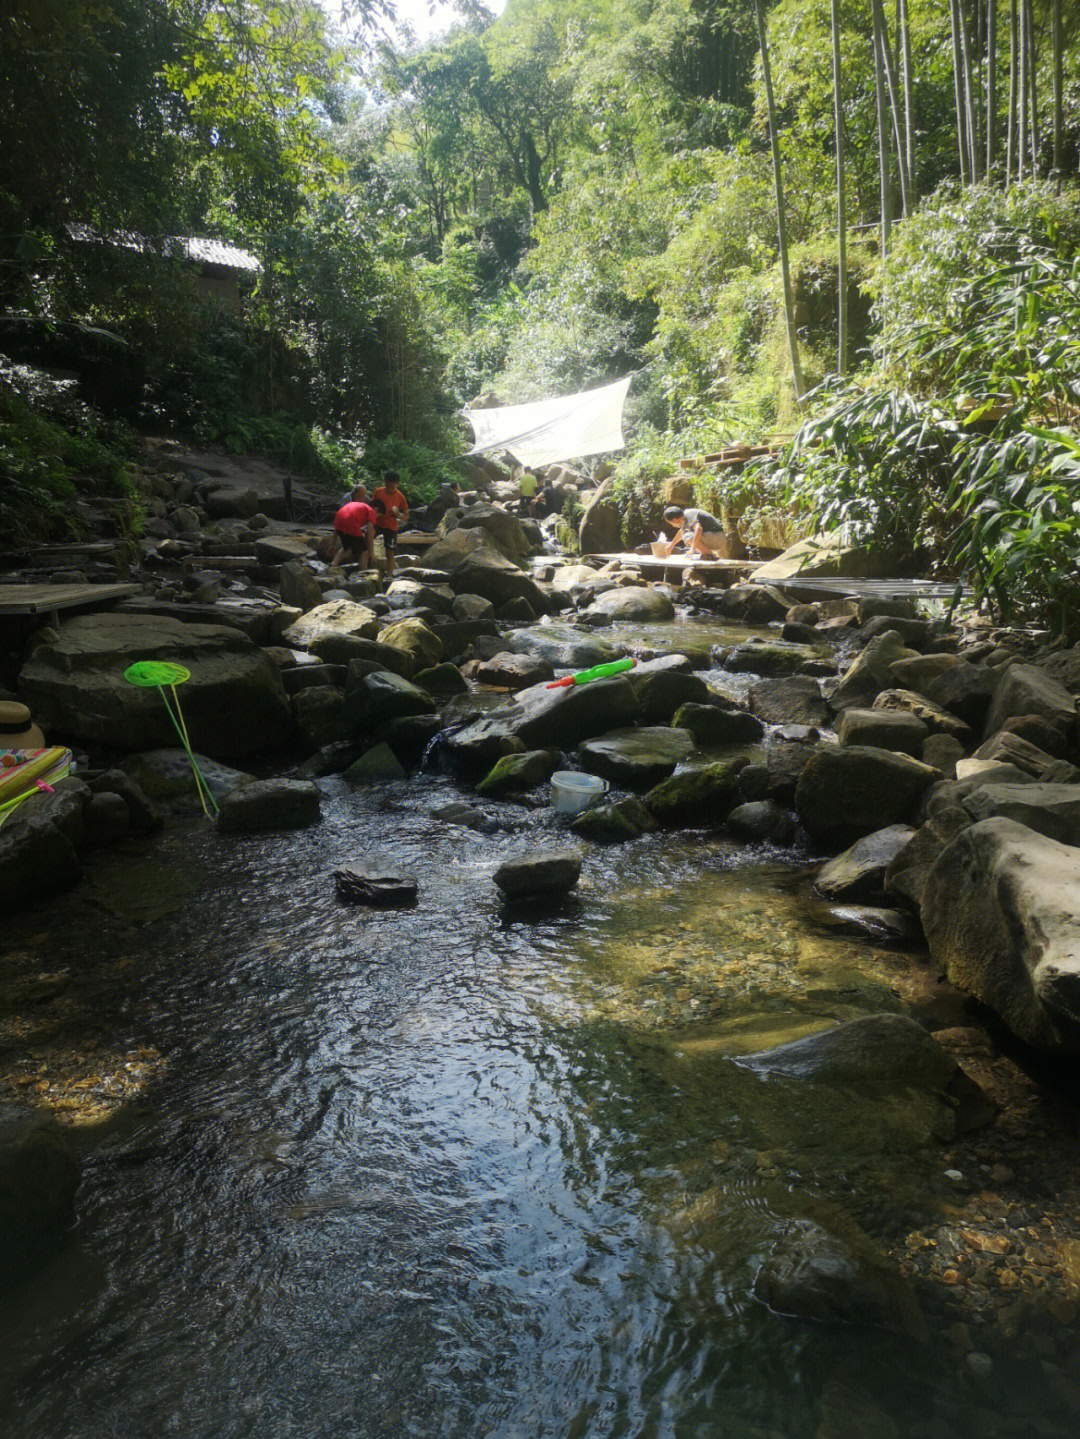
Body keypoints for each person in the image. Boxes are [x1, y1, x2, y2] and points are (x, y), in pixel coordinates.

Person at [661, 504, 745, 560]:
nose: (672, 526)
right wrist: (670, 546)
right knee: (686, 536)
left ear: (674, 520)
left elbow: (698, 529)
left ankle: (711, 556)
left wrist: (692, 548)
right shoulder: (685, 517)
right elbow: (681, 532)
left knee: (688, 537)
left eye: (671, 523)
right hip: (714, 538)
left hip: (718, 538)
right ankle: (708, 555)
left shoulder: (689, 514)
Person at [371, 470, 409, 577]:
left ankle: (389, 575)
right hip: (377, 524)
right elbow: (371, 506)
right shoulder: (378, 492)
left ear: (398, 484)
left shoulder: (400, 496)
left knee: (390, 552)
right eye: (388, 486)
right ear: (385, 482)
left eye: (393, 487)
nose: (390, 489)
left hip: (391, 527)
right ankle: (365, 569)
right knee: (367, 544)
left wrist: (398, 516)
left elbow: (406, 514)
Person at [331, 494, 377, 568]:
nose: (376, 518)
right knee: (364, 551)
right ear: (376, 510)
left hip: (339, 523)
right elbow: (370, 532)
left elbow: (338, 526)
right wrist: (371, 553)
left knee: (347, 549)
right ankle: (363, 573)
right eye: (378, 515)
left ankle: (333, 563)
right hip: (351, 524)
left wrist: (332, 545)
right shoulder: (370, 510)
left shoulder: (354, 505)